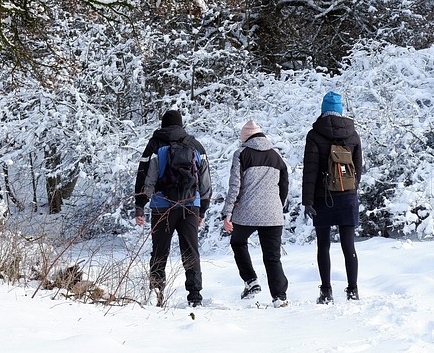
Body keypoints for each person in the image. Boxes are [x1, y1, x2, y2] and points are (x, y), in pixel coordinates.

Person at [134, 110, 212, 307]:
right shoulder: (195, 145)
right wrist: (202, 208)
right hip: (190, 206)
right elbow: (205, 180)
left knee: (160, 250)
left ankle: (157, 290)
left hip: (162, 206)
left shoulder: (155, 145)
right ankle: (195, 296)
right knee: (191, 250)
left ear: (163, 124)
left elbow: (145, 177)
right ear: (181, 124)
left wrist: (140, 205)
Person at [302, 91, 363, 304]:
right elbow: (358, 168)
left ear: (322, 109)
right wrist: (351, 190)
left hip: (322, 197)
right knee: (349, 245)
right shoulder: (353, 135)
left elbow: (310, 170)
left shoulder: (314, 134)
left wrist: (307, 201)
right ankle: (352, 289)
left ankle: (326, 291)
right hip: (347, 196)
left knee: (323, 246)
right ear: (340, 111)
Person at [221, 119, 289, 306]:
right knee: (272, 256)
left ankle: (251, 280)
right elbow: (284, 185)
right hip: (273, 214)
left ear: (246, 138)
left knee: (238, 241)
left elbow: (235, 186)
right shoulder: (277, 156)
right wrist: (278, 205)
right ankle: (279, 297)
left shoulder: (241, 154)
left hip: (247, 213)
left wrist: (227, 214)